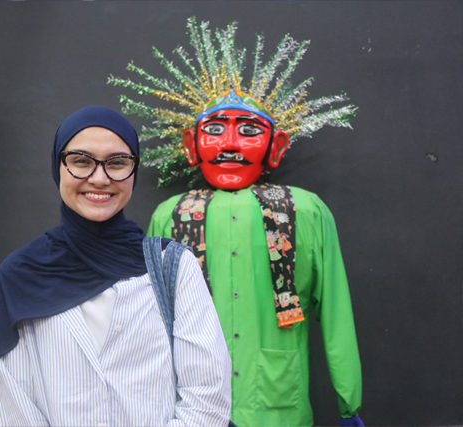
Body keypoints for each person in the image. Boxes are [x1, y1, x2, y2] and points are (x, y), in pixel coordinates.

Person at [109, 19, 364, 427]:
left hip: (276, 404)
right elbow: (150, 320)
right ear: (192, 145)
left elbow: (335, 309)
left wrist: (349, 399)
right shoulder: (170, 216)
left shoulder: (305, 210)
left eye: (248, 131)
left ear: (275, 146)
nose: (229, 145)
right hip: (192, 407)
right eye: (214, 130)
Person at [0, 105, 231, 427]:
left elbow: (207, 397)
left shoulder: (172, 265)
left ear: (134, 171)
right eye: (81, 161)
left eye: (117, 163)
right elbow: (16, 406)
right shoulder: (21, 274)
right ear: (59, 166)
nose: (99, 178)